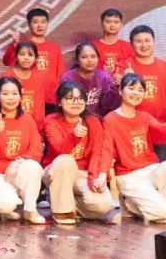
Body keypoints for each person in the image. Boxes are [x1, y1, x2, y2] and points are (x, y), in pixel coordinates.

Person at [99, 74, 166, 224]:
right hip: (128, 175)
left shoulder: (144, 116)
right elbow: (106, 150)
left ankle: (136, 206)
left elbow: (161, 129)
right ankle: (137, 205)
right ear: (121, 91)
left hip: (149, 170)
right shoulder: (110, 119)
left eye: (140, 90)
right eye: (131, 88)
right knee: (164, 212)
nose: (136, 93)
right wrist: (102, 175)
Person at [42, 82, 116, 224]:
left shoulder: (93, 121)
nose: (76, 102)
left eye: (80, 98)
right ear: (60, 102)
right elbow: (60, 149)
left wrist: (97, 178)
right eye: (70, 98)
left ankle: (62, 200)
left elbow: (98, 152)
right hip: (57, 170)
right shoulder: (51, 121)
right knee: (66, 160)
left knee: (103, 206)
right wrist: (74, 135)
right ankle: (63, 212)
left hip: (83, 172)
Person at [0, 77, 45, 224]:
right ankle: (0, 208)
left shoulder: (27, 120)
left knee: (33, 166)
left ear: (20, 96)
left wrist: (17, 163)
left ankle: (30, 211)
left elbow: (36, 149)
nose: (11, 98)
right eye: (5, 94)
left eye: (15, 93)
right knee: (6, 204)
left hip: (18, 170)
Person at [120, 25, 166, 162]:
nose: (143, 45)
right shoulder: (125, 66)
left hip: (161, 129)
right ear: (131, 44)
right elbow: (114, 93)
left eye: (147, 40)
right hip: (133, 129)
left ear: (154, 41)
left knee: (165, 169)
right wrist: (120, 79)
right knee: (138, 171)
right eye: (139, 41)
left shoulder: (164, 66)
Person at [1, 7, 63, 109]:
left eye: (43, 22)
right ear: (29, 24)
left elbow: (60, 75)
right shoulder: (22, 45)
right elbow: (7, 62)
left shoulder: (55, 48)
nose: (40, 25)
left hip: (51, 98)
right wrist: (14, 44)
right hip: (28, 96)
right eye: (35, 22)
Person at [60, 42, 119, 117]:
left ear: (98, 58)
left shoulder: (104, 77)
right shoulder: (68, 78)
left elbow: (109, 105)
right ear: (77, 60)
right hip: (75, 119)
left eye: (93, 56)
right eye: (84, 57)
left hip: (98, 120)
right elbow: (66, 106)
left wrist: (114, 88)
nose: (90, 60)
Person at [0, 41, 49, 129]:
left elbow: (39, 108)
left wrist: (35, 129)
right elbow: (2, 105)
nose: (26, 58)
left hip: (32, 126)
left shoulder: (40, 78)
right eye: (22, 54)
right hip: (9, 124)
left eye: (30, 55)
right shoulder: (6, 76)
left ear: (36, 58)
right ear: (16, 56)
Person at [92, 8, 134, 75]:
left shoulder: (128, 46)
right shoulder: (92, 46)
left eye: (116, 22)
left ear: (121, 25)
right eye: (108, 22)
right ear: (101, 23)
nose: (112, 25)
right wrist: (102, 71)